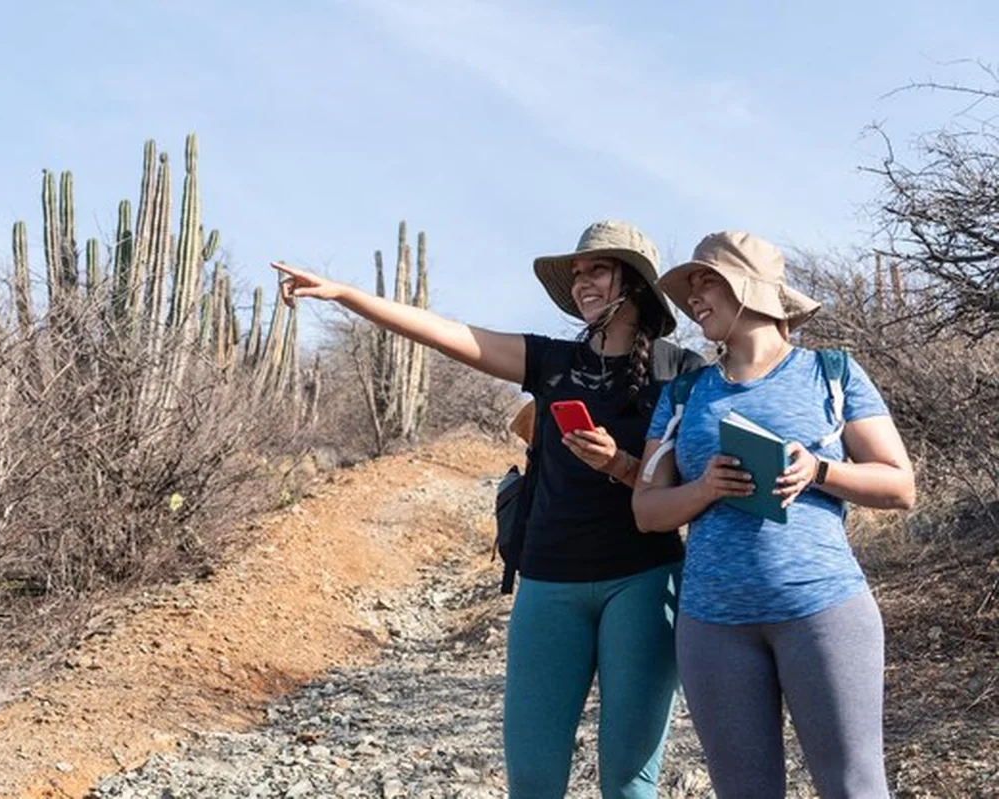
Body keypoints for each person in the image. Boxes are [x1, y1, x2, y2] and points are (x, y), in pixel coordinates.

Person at [273, 220, 704, 799]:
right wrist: (347, 294)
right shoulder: (550, 361)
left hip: (645, 582)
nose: (582, 283)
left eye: (596, 269)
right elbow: (448, 334)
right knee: (532, 779)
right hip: (549, 582)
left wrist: (621, 464)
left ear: (635, 284)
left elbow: (692, 485)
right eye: (576, 274)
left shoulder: (683, 373)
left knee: (628, 782)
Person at [632, 231, 916, 799]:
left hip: (823, 610)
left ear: (750, 288)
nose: (694, 297)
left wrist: (820, 471)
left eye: (706, 280)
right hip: (712, 624)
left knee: (855, 788)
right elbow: (646, 510)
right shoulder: (685, 394)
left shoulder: (830, 374)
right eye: (691, 286)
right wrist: (705, 489)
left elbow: (899, 484)